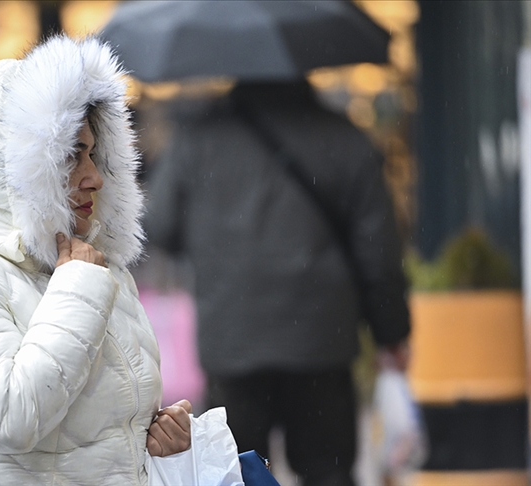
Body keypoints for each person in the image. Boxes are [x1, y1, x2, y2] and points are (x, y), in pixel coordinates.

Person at [0, 36, 192, 485]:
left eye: (93, 154)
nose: (93, 178)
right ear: (12, 167)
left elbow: (93, 431)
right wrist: (77, 289)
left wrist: (156, 439)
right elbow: (10, 417)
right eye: (70, 156)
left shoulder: (85, 260)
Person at [145, 81, 411, 486]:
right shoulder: (341, 136)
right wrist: (391, 331)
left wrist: (214, 246)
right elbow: (377, 249)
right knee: (328, 471)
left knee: (234, 471)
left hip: (233, 338)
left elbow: (159, 225)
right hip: (321, 339)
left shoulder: (199, 139)